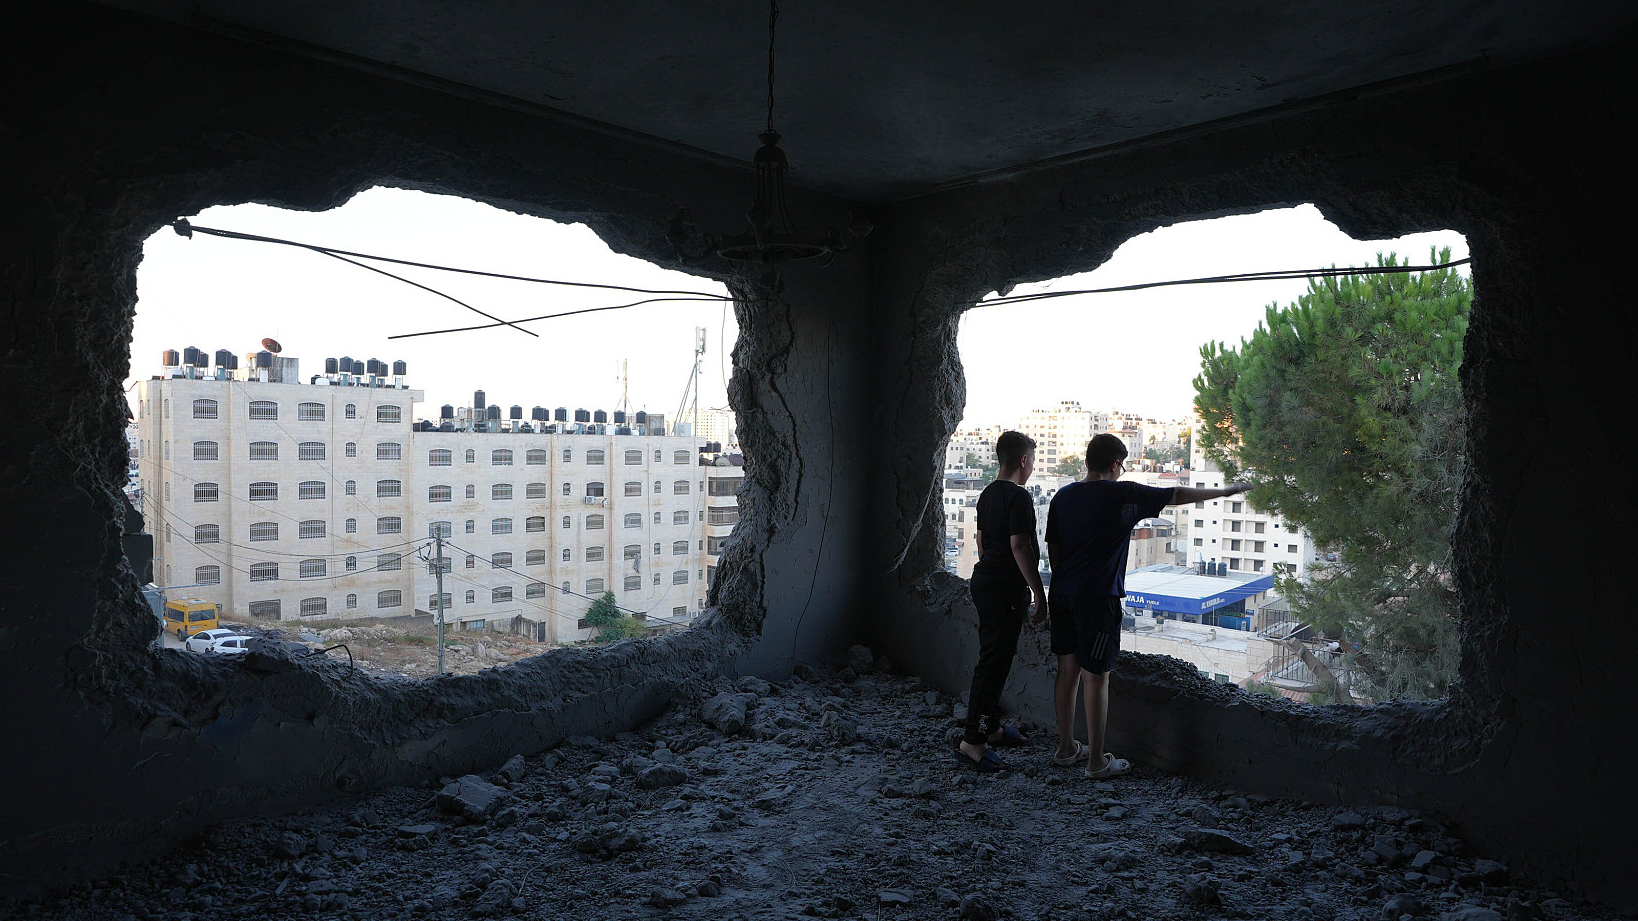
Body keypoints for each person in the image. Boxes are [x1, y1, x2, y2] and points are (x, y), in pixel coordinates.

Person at [1044, 433, 1248, 778]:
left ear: (1086, 461)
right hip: (1098, 597)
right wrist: (1226, 491)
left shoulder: (1063, 496)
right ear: (1114, 465)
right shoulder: (1121, 493)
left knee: (1067, 671)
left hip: (1062, 593)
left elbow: (1053, 548)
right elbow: (1178, 494)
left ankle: (1065, 749)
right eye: (1121, 467)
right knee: (1097, 677)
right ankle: (1095, 762)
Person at [958, 430, 1049, 772]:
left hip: (985, 581)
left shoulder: (986, 495)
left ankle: (991, 727)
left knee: (997, 655)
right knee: (992, 661)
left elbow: (982, 545)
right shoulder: (1018, 498)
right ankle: (972, 739)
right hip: (1003, 587)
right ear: (1023, 461)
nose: (1032, 468)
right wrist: (1039, 594)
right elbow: (1020, 546)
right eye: (1033, 461)